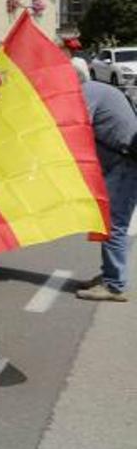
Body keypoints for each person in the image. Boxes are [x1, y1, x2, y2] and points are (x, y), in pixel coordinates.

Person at [78, 71, 137, 302]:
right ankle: (109, 276)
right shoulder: (95, 89)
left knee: (113, 224)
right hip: (122, 162)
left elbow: (77, 125)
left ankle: (114, 285)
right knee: (108, 222)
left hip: (125, 164)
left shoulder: (87, 92)